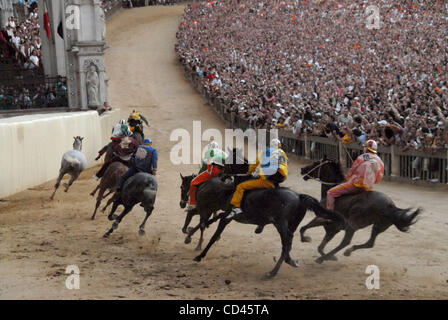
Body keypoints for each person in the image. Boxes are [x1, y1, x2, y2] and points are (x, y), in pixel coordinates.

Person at [227, 138, 288, 220]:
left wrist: (250, 172)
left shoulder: (266, 151)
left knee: (240, 186)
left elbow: (255, 164)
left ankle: (236, 207)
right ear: (279, 146)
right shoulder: (282, 153)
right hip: (281, 178)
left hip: (267, 180)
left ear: (270, 145)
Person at [326, 139, 384, 211]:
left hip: (355, 185)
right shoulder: (380, 161)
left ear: (367, 148)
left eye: (365, 147)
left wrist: (346, 180)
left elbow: (352, 171)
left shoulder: (362, 157)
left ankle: (329, 214)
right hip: (369, 188)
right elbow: (379, 178)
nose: (364, 148)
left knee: (330, 193)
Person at [187, 142, 227, 211]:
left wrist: (199, 174)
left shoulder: (209, 152)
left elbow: (205, 165)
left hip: (212, 171)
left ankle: (192, 204)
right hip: (224, 172)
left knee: (193, 182)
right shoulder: (223, 153)